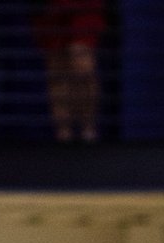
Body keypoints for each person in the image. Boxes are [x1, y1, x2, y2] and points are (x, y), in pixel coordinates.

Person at [32, 0, 106, 141]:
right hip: (51, 9)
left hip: (85, 7)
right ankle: (63, 133)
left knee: (83, 67)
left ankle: (88, 130)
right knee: (57, 70)